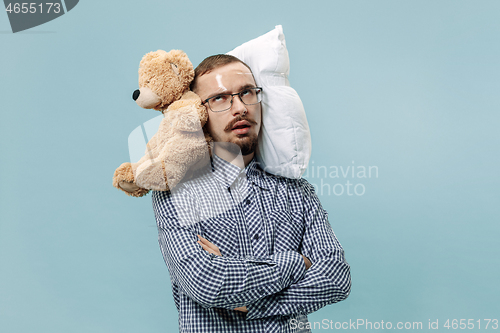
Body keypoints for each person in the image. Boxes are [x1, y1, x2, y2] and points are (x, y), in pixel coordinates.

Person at [152, 54, 351, 333]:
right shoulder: (177, 191)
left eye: (247, 93)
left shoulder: (298, 191)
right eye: (220, 98)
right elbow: (207, 283)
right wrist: (298, 262)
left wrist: (253, 303)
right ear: (199, 113)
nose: (240, 108)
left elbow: (336, 278)